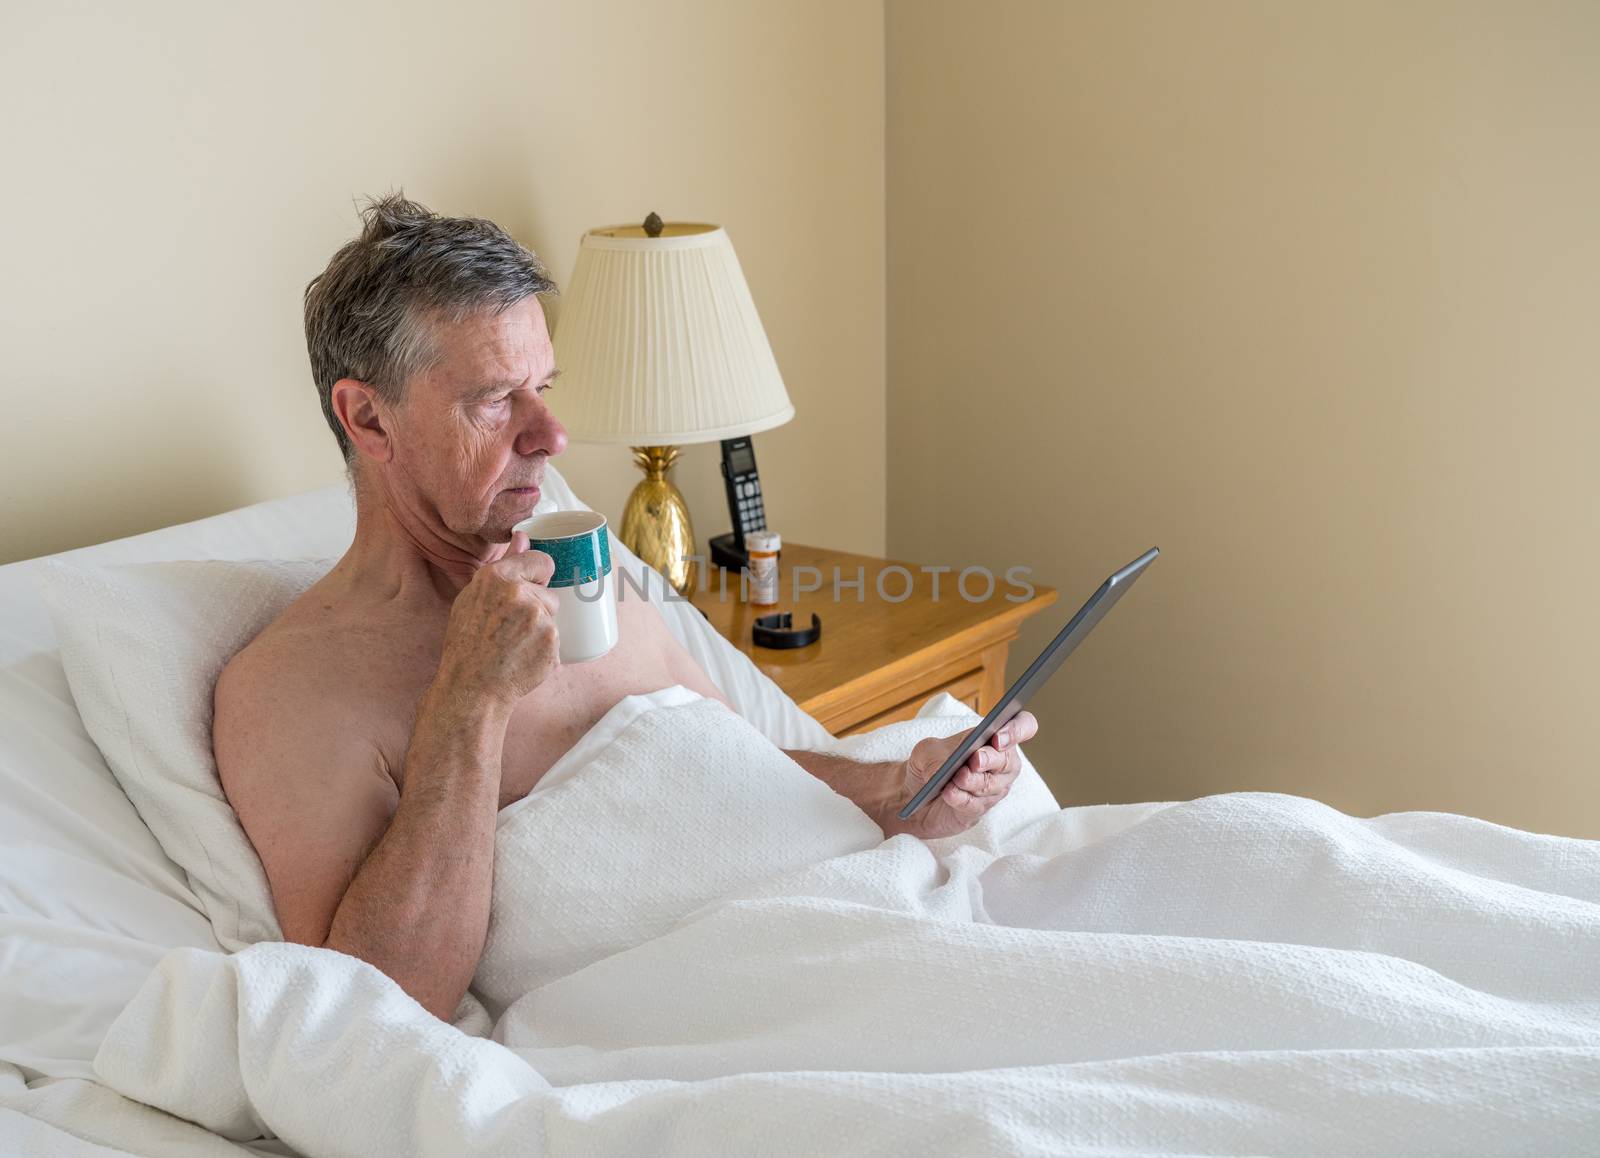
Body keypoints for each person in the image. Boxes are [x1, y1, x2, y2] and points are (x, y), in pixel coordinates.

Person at [211, 194, 1038, 1023]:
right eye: (497, 399)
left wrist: (900, 788)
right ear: (367, 417)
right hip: (735, 1006)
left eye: (543, 387)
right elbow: (373, 1006)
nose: (552, 435)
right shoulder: (292, 689)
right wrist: (469, 701)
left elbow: (755, 773)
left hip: (873, 923)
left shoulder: (589, 578)